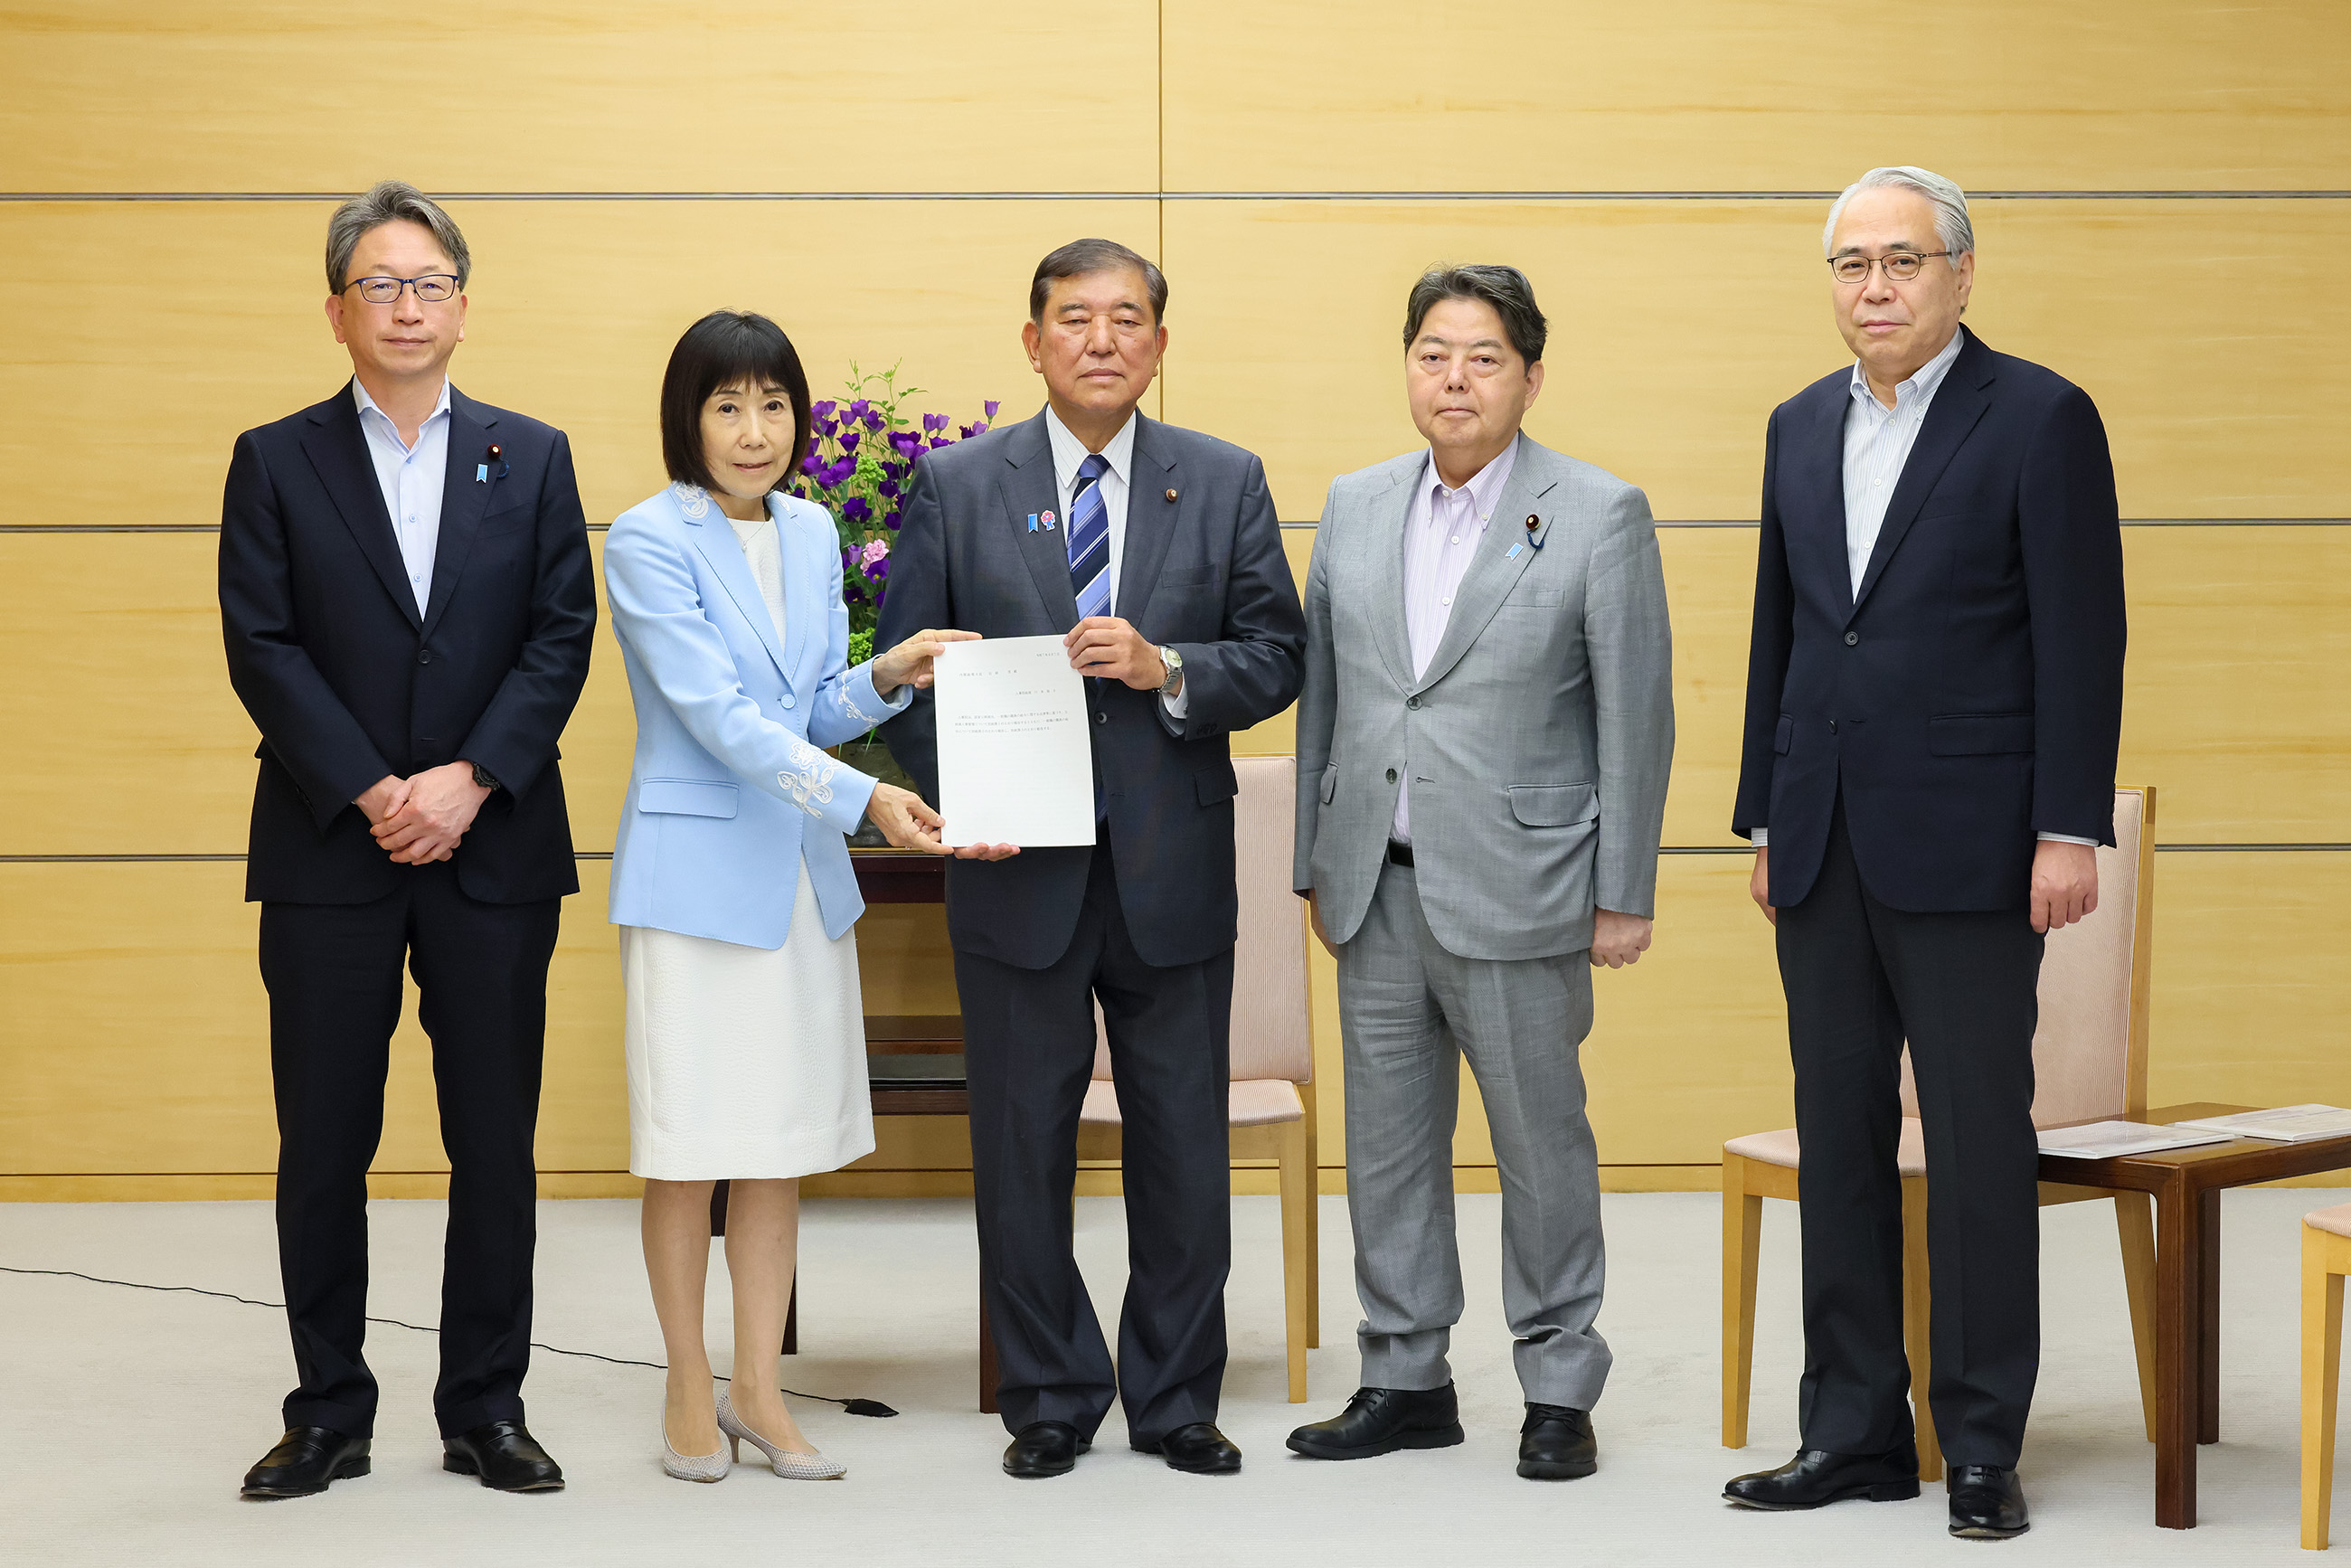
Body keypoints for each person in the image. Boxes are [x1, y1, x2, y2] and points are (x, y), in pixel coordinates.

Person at [1723, 166, 2126, 1540]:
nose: (1875, 288)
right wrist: (1766, 816)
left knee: (1970, 1145)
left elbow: (2084, 636)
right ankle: (1849, 1429)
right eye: (1851, 264)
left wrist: (2068, 825)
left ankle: (1977, 1441)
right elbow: (1785, 632)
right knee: (1838, 1140)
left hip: (1973, 845)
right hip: (1822, 841)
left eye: (1903, 261)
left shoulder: (2041, 417)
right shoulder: (1793, 426)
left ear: (1962, 274)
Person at [880, 238, 1306, 1478]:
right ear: (1033, 341)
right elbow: (906, 673)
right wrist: (967, 792)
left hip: (1172, 869)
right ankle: (1051, 1393)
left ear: (1162, 346)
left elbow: (1278, 654)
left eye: (1129, 319)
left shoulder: (1222, 482)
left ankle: (1176, 1398)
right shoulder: (957, 484)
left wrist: (1171, 667)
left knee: (1184, 1145)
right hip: (1017, 871)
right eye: (1076, 318)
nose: (1103, 339)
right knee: (1021, 1145)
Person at [220, 181, 597, 1498]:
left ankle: (485, 1404)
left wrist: (470, 779)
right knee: (324, 1137)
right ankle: (327, 1408)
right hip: (331, 846)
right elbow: (260, 646)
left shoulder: (532, 453)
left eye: (429, 281)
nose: (407, 305)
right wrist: (378, 787)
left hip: (493, 847)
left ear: (463, 304)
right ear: (338, 310)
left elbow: (561, 637)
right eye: (380, 284)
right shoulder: (275, 458)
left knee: (493, 1136)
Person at [1285, 266, 1674, 1479]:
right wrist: (1312, 853)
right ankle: (1405, 1375)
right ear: (1408, 367)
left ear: (1531, 375)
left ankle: (1559, 1383)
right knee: (1389, 1144)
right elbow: (1332, 700)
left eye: (1484, 357)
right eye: (1434, 354)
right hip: (1376, 883)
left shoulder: (1599, 510)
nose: (1455, 377)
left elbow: (1638, 713)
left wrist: (1626, 890)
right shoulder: (1353, 505)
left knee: (1539, 1142)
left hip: (1525, 881)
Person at [601, 310, 990, 1483]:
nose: (753, 430)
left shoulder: (816, 531)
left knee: (772, 1148)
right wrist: (866, 804)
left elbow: (808, 704)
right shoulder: (645, 539)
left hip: (796, 885)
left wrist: (889, 670)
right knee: (687, 1147)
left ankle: (760, 1390)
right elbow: (718, 720)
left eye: (773, 404)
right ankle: (686, 1379)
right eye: (727, 405)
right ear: (688, 417)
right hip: (693, 887)